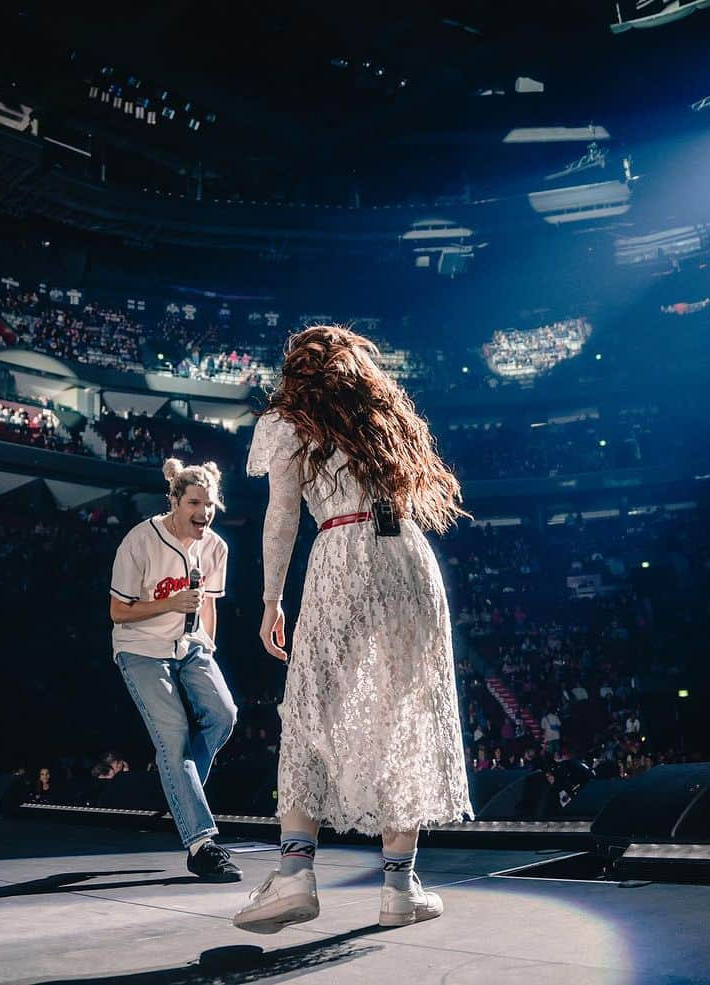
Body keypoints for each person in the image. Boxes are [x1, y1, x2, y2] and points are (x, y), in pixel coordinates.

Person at [234, 325, 472, 934]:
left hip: (340, 550)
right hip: (408, 559)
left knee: (312, 707)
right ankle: (400, 886)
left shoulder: (287, 422)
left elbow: (282, 518)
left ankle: (294, 874)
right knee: (406, 713)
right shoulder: (384, 414)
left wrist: (269, 601)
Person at [109, 459, 241, 882]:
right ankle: (202, 844)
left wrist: (209, 647)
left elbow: (209, 603)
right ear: (174, 501)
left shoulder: (215, 546)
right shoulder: (139, 540)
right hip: (141, 649)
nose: (204, 512)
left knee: (224, 714)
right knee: (174, 737)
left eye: (210, 504)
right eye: (194, 503)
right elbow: (117, 612)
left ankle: (181, 791)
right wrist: (168, 603)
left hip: (191, 647)